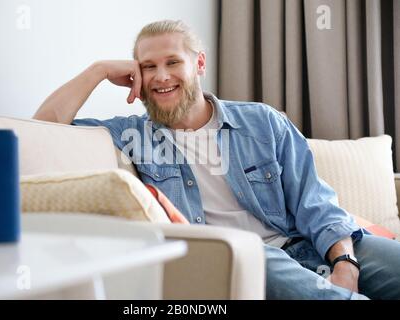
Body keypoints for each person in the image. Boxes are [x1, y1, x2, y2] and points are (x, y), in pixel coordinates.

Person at [33, 20, 400, 299]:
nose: (160, 77)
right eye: (148, 67)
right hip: (237, 257)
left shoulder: (262, 121)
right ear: (136, 75)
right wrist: (97, 70)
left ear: (200, 64)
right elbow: (45, 126)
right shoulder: (131, 135)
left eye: (172, 62)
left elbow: (315, 203)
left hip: (304, 242)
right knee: (254, 255)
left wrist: (345, 263)